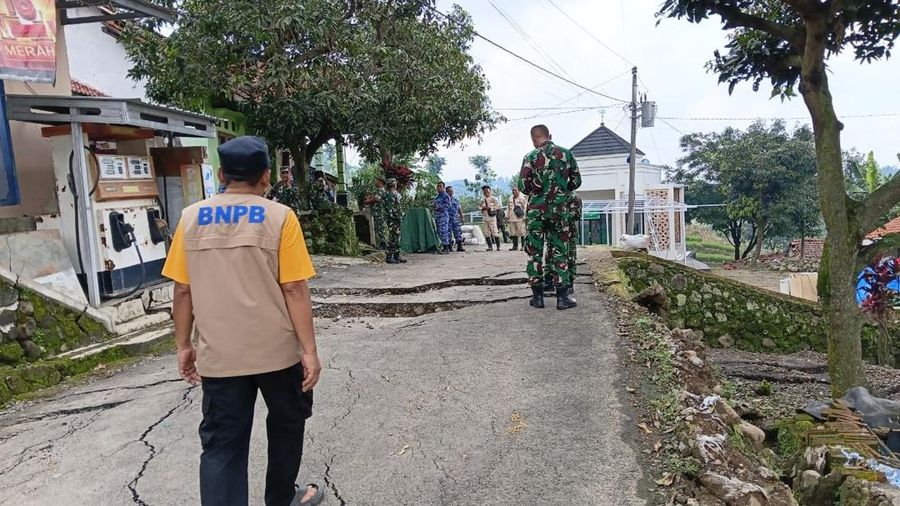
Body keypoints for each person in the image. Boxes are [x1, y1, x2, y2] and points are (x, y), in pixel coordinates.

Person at [162, 136, 325, 506]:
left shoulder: (190, 219)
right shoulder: (280, 217)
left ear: (221, 174)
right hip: (278, 353)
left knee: (222, 445)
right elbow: (295, 288)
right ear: (266, 176)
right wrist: (310, 351)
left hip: (220, 356)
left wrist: (184, 345)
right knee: (286, 425)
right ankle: (282, 498)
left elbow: (183, 291)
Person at [520, 124, 581, 310]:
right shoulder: (566, 154)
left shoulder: (530, 157)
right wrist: (561, 192)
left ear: (533, 139)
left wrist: (539, 193)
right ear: (550, 136)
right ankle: (562, 299)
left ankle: (537, 298)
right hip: (559, 212)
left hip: (536, 213)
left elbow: (523, 186)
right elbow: (577, 181)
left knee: (534, 253)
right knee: (559, 251)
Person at [384, 178, 407, 264]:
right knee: (392, 237)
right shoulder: (390, 195)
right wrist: (397, 217)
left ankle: (397, 255)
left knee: (397, 237)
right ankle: (389, 256)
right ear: (394, 184)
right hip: (393, 219)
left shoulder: (394, 194)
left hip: (396, 219)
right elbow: (391, 209)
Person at [364, 177, 387, 249]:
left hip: (379, 213)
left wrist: (368, 202)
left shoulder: (380, 190)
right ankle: (382, 243)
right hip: (378, 212)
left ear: (381, 182)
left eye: (377, 181)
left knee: (380, 228)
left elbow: (376, 199)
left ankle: (383, 244)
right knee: (378, 228)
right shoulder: (379, 191)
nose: (375, 182)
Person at [432, 181, 452, 254]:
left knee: (444, 232)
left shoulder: (446, 196)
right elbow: (434, 205)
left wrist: (439, 207)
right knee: (439, 232)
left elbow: (448, 205)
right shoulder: (437, 197)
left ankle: (446, 248)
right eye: (437, 186)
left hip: (443, 217)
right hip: (437, 217)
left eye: (440, 186)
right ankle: (443, 247)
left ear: (443, 187)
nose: (438, 188)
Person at [480, 185, 501, 252]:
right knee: (486, 232)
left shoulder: (494, 198)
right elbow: (479, 206)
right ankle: (490, 247)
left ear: (490, 191)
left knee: (495, 232)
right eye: (484, 191)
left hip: (492, 217)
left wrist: (490, 208)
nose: (486, 193)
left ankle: (498, 246)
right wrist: (482, 208)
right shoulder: (482, 199)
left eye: (487, 191)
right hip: (485, 217)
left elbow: (498, 206)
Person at [507, 186, 528, 251]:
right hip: (512, 218)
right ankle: (515, 246)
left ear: (519, 191)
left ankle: (523, 246)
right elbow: (508, 207)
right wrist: (507, 216)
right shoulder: (510, 198)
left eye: (515, 190)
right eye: (513, 190)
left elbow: (525, 208)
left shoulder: (522, 198)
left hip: (519, 218)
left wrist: (525, 217)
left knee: (522, 232)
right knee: (513, 232)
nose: (514, 192)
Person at [446, 186, 466, 252]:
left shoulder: (455, 200)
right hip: (447, 219)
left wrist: (462, 217)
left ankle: (459, 247)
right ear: (446, 192)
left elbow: (459, 209)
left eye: (451, 191)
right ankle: (449, 247)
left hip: (455, 219)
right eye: (448, 191)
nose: (450, 192)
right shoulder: (444, 200)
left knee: (458, 232)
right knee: (448, 233)